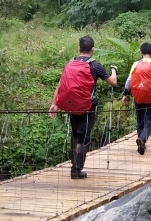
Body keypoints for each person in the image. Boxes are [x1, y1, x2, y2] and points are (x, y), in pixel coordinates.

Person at [49, 35, 117, 178]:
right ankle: (76, 170)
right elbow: (112, 82)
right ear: (92, 49)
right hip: (87, 107)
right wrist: (114, 71)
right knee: (83, 136)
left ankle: (74, 166)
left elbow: (61, 85)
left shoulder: (69, 64)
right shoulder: (95, 65)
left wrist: (54, 104)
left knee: (75, 134)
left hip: (71, 106)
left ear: (79, 48)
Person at [122, 42, 151, 155]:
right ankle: (142, 139)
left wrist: (125, 94)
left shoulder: (136, 64)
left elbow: (129, 81)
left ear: (141, 52)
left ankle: (141, 141)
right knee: (149, 120)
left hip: (138, 96)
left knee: (140, 119)